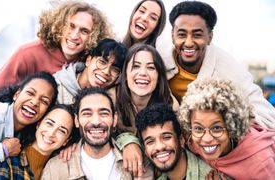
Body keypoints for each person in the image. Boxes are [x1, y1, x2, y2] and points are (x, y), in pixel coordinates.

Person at [0, 0, 113, 121]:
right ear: (59, 25)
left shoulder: (90, 63)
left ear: (93, 38)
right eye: (71, 26)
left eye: (84, 31)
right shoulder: (28, 53)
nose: (75, 36)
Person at [165, 1, 275, 128]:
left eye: (197, 35)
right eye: (182, 34)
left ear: (210, 37)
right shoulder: (158, 60)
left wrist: (228, 115)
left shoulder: (229, 68)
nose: (189, 42)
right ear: (172, 35)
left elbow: (268, 117)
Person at [41, 87, 153, 180]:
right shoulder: (56, 168)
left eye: (104, 113)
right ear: (76, 120)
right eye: (87, 114)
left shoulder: (137, 161)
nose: (96, 122)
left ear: (114, 119)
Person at [179, 78, 275, 179]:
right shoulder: (191, 142)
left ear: (232, 127)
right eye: (198, 128)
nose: (207, 139)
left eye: (216, 128)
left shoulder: (260, 163)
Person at [115, 43, 175, 177]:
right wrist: (127, 140)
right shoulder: (109, 100)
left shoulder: (170, 107)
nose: (142, 73)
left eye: (151, 67)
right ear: (125, 74)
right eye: (136, 66)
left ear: (159, 76)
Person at [0, 104, 76, 180]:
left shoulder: (58, 168)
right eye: (49, 123)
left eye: (62, 131)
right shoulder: (8, 161)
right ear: (38, 125)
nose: (51, 133)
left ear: (66, 141)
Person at [136, 103, 221, 180]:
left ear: (181, 140)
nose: (159, 146)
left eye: (166, 137)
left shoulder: (213, 176)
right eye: (150, 142)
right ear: (145, 151)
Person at [54, 38, 127, 104]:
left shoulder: (109, 102)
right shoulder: (56, 86)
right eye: (102, 62)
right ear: (88, 60)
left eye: (115, 69)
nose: (106, 72)